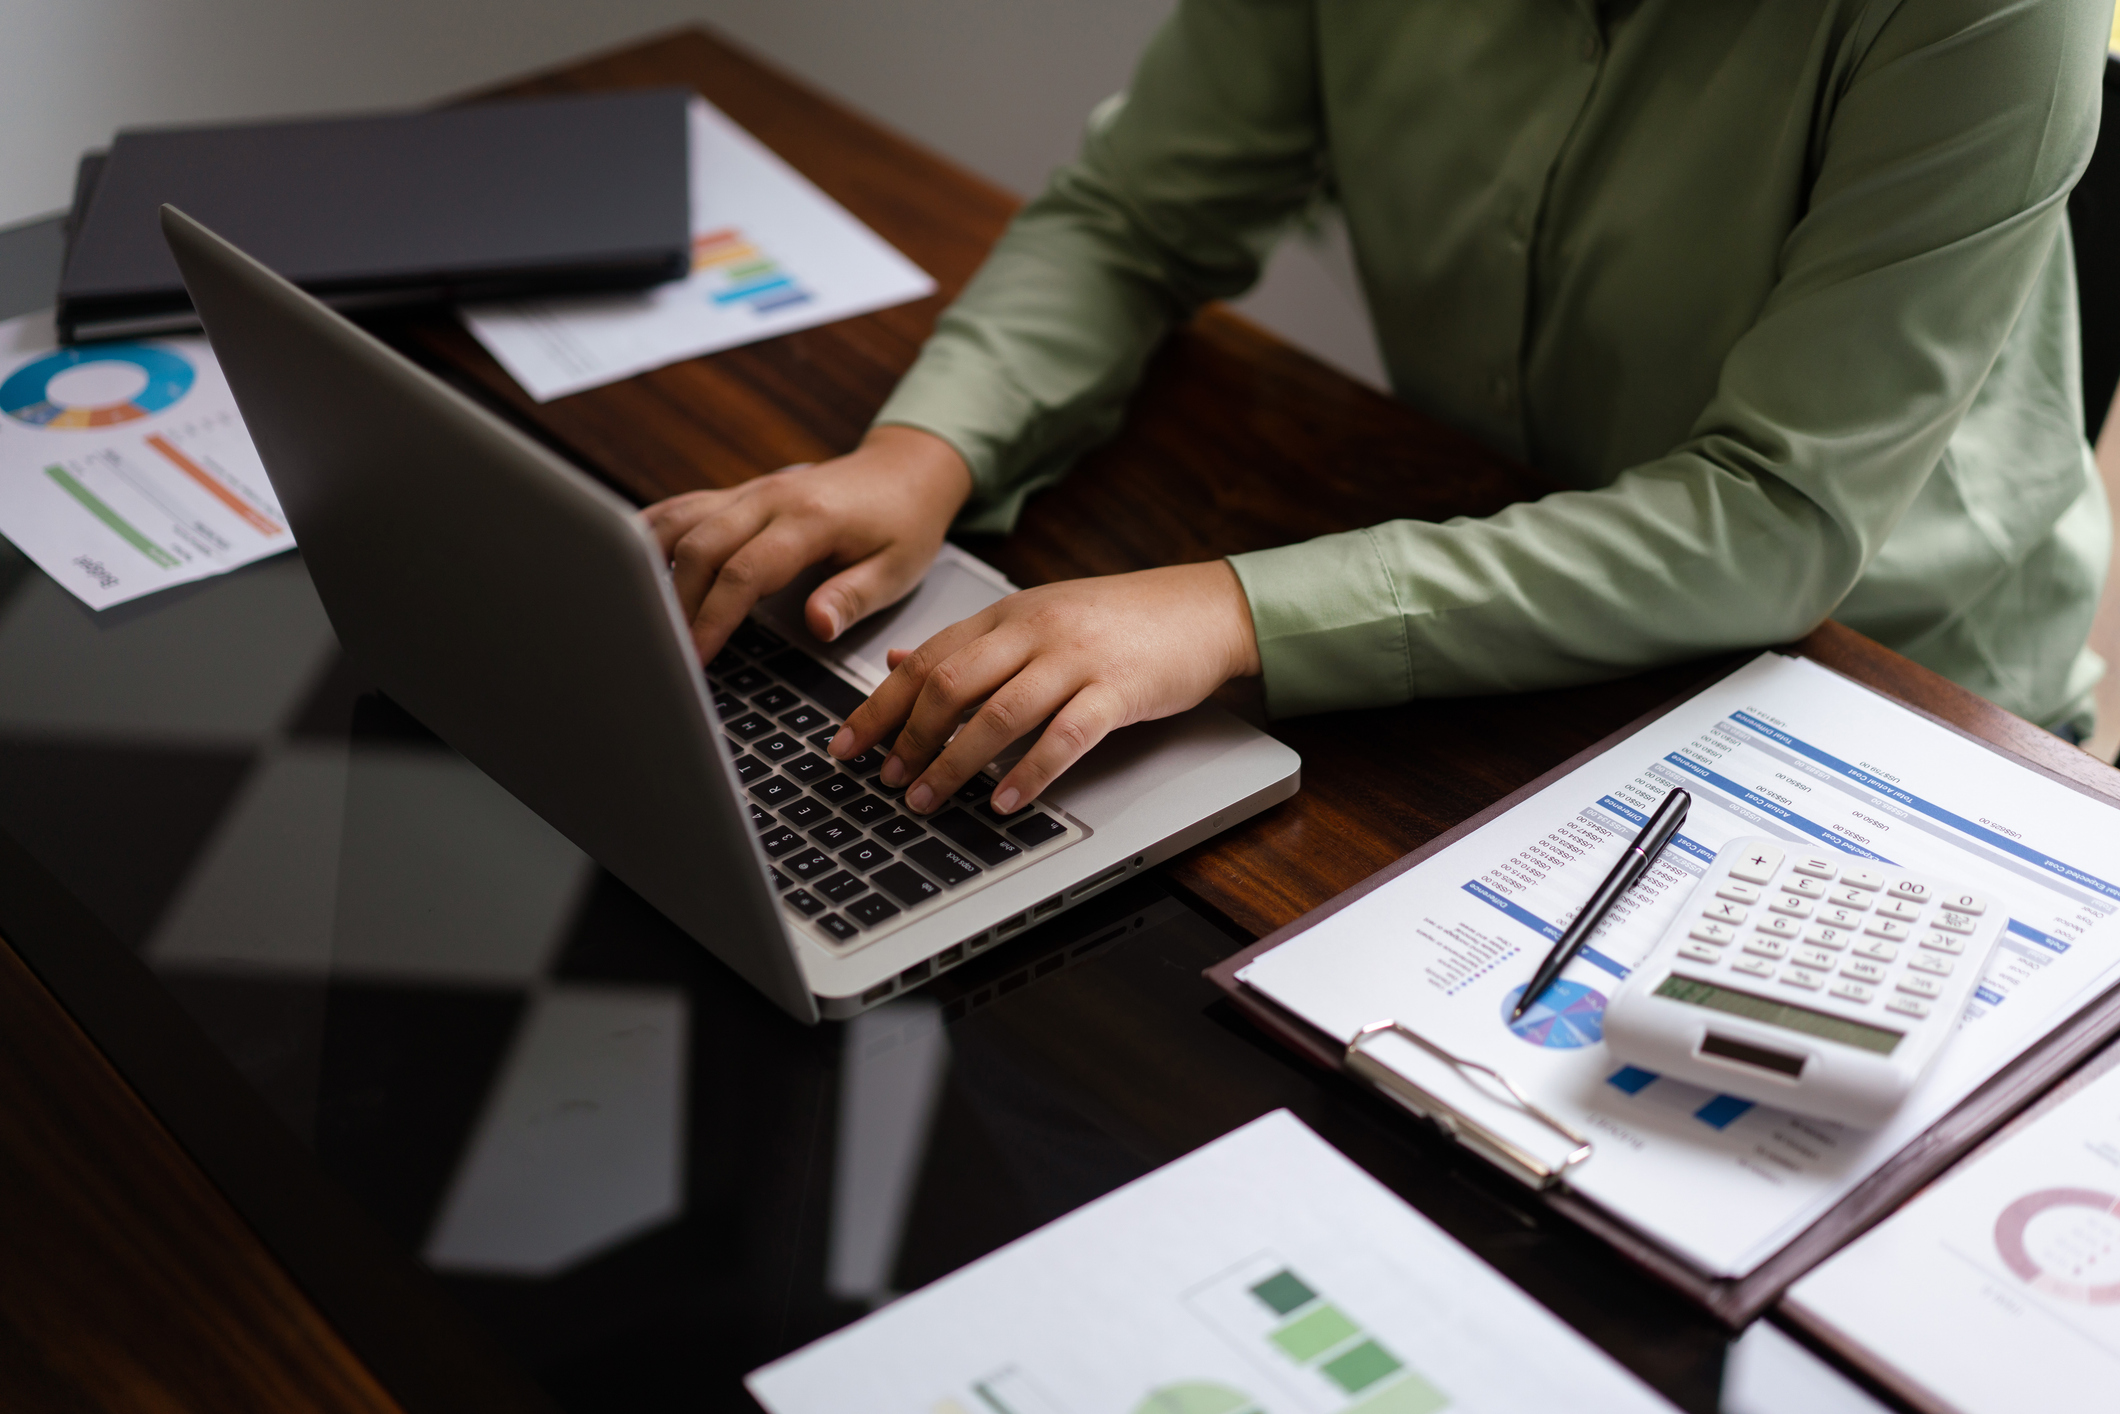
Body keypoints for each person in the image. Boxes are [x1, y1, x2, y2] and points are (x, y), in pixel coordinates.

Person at [646, 0, 2113, 822]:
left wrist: (1222, 613)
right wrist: (922, 451)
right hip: (1495, 580)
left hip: (1891, 685)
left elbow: (1773, 519)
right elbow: (1139, 216)